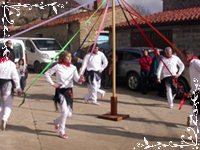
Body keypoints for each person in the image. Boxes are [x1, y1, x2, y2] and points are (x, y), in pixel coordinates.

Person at [44, 51, 84, 139]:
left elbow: (77, 80)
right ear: (63, 58)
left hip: (69, 91)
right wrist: (53, 84)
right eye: (67, 57)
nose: (70, 59)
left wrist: (81, 80)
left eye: (70, 57)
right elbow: (46, 74)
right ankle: (62, 131)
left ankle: (56, 121)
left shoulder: (73, 68)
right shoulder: (58, 66)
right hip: (60, 91)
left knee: (68, 114)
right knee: (64, 112)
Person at [0, 47, 22, 130]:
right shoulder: (11, 64)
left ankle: (0, 120)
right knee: (8, 104)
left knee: (1, 103)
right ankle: (4, 119)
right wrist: (18, 88)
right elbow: (15, 77)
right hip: (7, 85)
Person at [183, 50, 200, 131]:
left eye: (188, 54)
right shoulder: (190, 65)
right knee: (195, 112)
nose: (186, 56)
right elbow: (194, 81)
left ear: (192, 54)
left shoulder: (195, 62)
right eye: (185, 55)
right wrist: (191, 91)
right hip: (196, 92)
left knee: (196, 114)